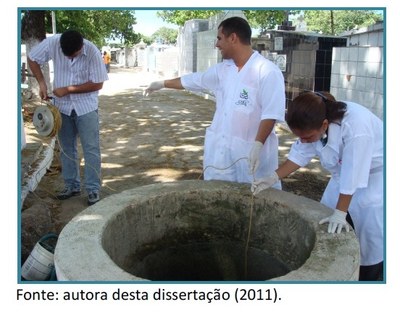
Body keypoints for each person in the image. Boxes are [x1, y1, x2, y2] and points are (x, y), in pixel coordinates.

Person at [251, 91, 384, 281]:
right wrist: (272, 177)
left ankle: (370, 279)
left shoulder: (357, 127)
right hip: (342, 175)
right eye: (300, 137)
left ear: (323, 125)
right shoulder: (314, 123)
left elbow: (353, 175)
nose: (303, 141)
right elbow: (299, 156)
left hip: (375, 177)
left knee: (369, 238)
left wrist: (340, 213)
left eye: (308, 137)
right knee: (326, 218)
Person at [144, 16, 285, 185]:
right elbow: (194, 80)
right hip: (222, 155)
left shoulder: (267, 71)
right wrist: (161, 83)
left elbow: (271, 114)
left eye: (219, 38)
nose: (216, 44)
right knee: (219, 201)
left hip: (251, 155)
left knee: (253, 201)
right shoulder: (223, 70)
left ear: (233, 38)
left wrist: (257, 144)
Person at [28, 30, 108, 205]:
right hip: (62, 107)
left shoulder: (92, 51)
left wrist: (69, 89)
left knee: (91, 149)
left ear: (81, 46)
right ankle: (71, 185)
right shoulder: (53, 43)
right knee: (66, 148)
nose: (71, 59)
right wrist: (42, 83)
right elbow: (32, 58)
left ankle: (93, 189)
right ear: (61, 47)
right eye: (67, 56)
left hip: (86, 107)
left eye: (75, 55)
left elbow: (98, 83)